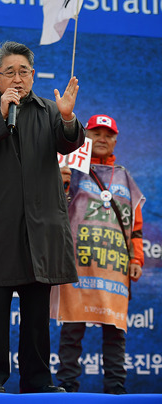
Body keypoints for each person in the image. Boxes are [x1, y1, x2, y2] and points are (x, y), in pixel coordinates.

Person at [0, 41, 85, 393]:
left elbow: (69, 142)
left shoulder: (49, 110)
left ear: (33, 75)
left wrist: (68, 117)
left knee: (36, 314)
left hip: (38, 230)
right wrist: (0, 115)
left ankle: (38, 381)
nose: (17, 78)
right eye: (10, 72)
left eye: (24, 72)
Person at [52, 114, 145, 394]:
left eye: (108, 135)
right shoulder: (71, 170)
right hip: (77, 267)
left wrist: (136, 259)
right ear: (86, 137)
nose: (102, 139)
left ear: (115, 140)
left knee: (115, 330)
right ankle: (67, 385)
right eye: (96, 134)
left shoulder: (124, 177)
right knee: (72, 328)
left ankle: (115, 387)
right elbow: (55, 210)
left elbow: (135, 225)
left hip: (113, 268)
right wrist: (61, 183)